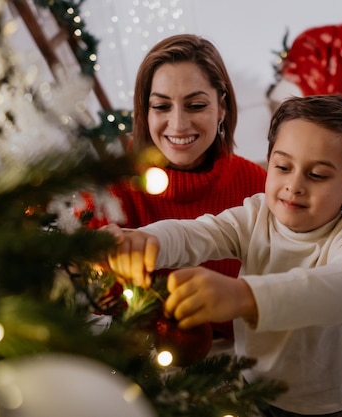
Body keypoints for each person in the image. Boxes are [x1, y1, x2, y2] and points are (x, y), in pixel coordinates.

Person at [103, 94, 342, 417]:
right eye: (282, 167)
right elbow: (197, 233)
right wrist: (144, 240)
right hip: (251, 381)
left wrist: (243, 296)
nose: (294, 185)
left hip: (316, 404)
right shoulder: (255, 215)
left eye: (317, 175)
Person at [108, 34, 267, 339]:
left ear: (221, 108)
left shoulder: (256, 184)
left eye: (195, 105)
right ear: (146, 111)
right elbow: (94, 299)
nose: (178, 124)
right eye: (161, 106)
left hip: (242, 365)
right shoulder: (114, 187)